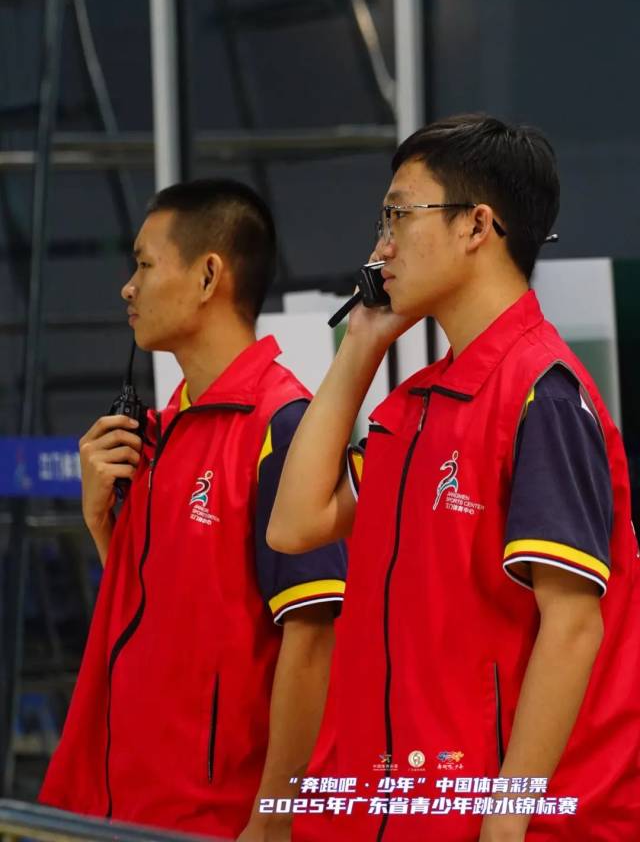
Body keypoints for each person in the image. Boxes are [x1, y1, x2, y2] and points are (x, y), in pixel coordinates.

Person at [268, 115, 640, 842]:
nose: (381, 246)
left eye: (399, 215)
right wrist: (361, 345)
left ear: (476, 226)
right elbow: (295, 525)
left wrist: (505, 819)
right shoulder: (417, 406)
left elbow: (574, 626)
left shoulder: (542, 393)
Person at [39, 179, 347, 842]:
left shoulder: (284, 427)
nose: (128, 287)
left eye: (145, 265)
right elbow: (164, 621)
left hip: (218, 820)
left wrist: (272, 820)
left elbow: (313, 637)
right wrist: (103, 526)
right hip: (123, 810)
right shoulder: (160, 431)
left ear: (209, 276)